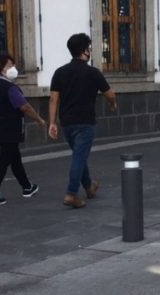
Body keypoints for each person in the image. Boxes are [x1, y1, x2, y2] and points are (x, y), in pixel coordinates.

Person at [48, 33, 117, 209]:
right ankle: (71, 194)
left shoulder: (60, 72)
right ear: (85, 51)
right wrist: (113, 104)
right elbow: (109, 94)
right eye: (89, 48)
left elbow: (53, 99)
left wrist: (52, 123)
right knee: (79, 156)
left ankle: (89, 187)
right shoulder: (93, 73)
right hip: (85, 122)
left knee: (80, 155)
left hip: (67, 123)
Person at [0, 53, 46, 205]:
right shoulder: (9, 87)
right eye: (9, 66)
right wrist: (39, 119)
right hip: (11, 128)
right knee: (4, 159)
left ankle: (27, 186)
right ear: (0, 68)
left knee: (14, 158)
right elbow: (24, 106)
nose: (13, 68)